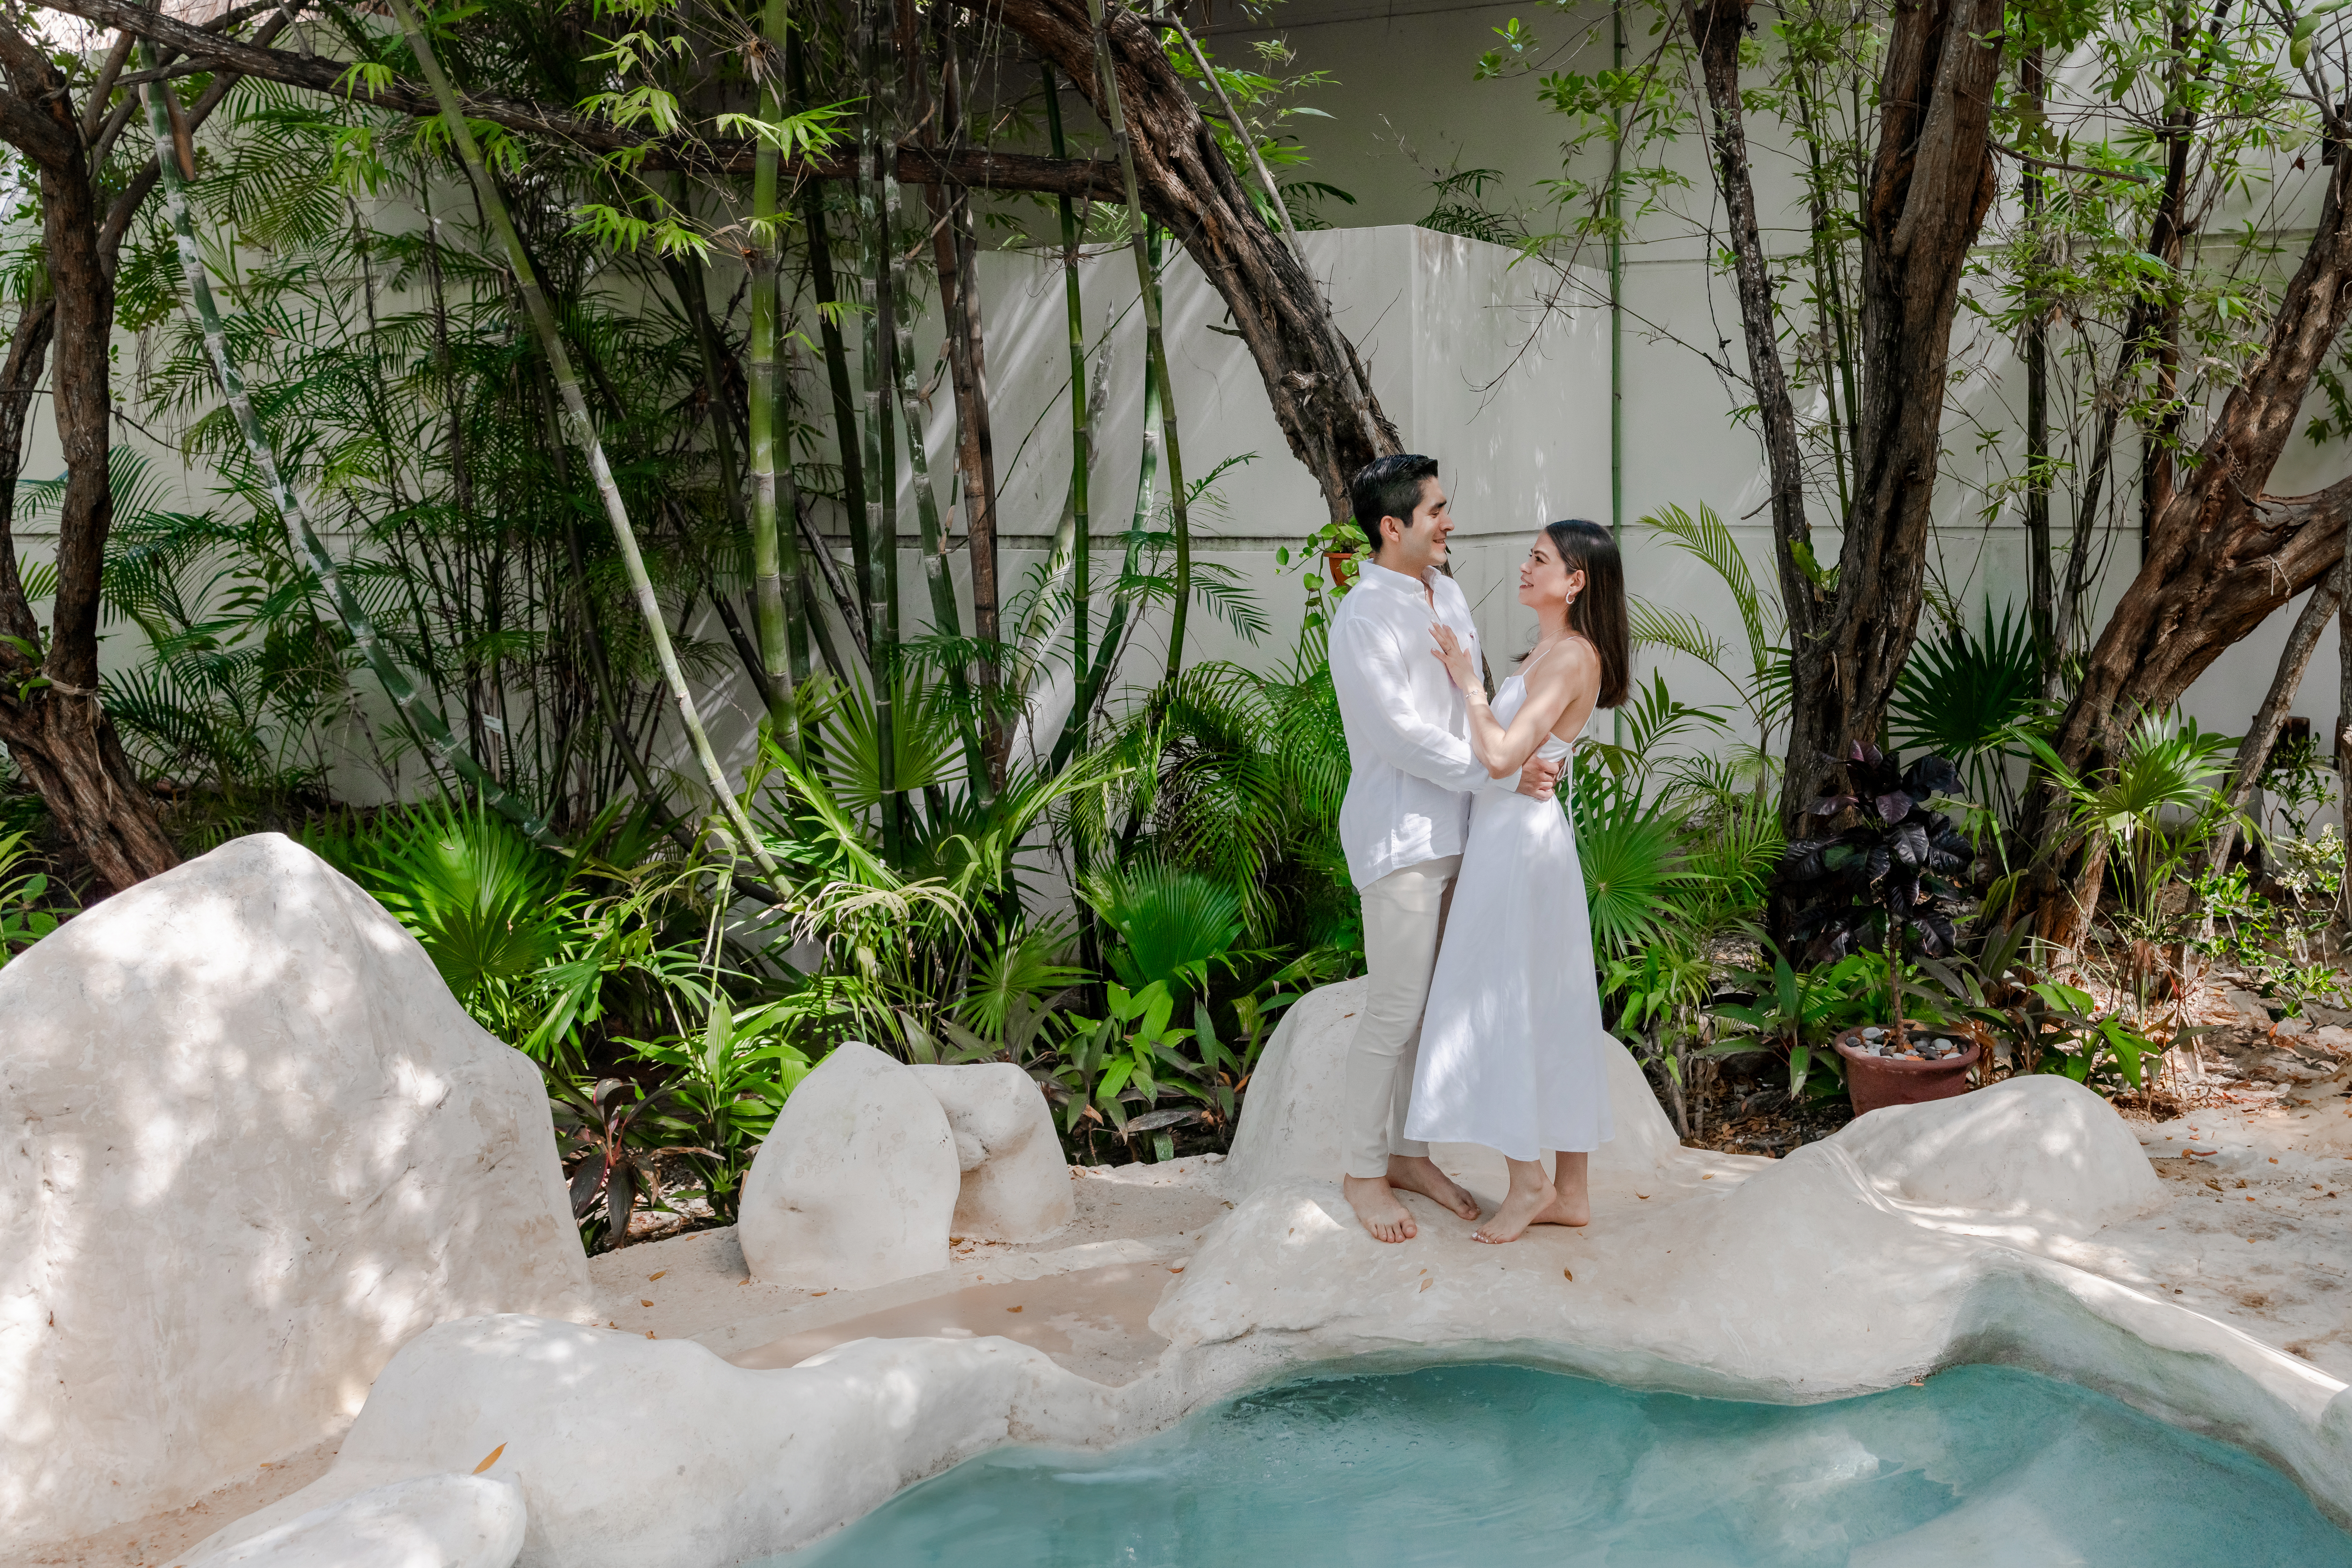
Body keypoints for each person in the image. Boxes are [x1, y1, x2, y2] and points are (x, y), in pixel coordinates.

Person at [1327, 455, 1564, 1244]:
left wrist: (1506, 764)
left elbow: (1471, 705)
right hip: (1402, 836)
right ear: (1391, 527)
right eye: (1435, 511)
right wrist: (1499, 771)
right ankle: (1363, 1174)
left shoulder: (1447, 592)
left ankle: (1407, 1156)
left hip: (1469, 828)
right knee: (1394, 1009)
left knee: (1429, 1011)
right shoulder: (1363, 617)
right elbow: (1399, 736)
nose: (1449, 522)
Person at [1405, 519, 1629, 1243]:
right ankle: (1571, 1192)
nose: (1525, 568)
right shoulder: (1548, 652)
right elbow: (1509, 761)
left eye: (1540, 560)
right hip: (1518, 838)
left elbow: (1501, 756)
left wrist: (1468, 683)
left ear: (1576, 581)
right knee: (1547, 1006)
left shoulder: (1570, 657)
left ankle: (1529, 1181)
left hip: (1519, 850)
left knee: (1504, 1002)